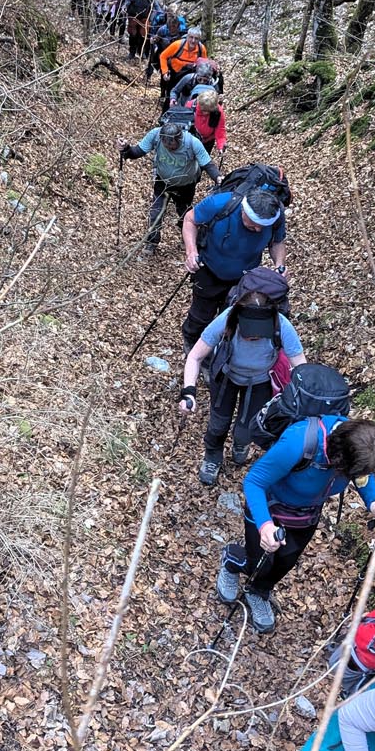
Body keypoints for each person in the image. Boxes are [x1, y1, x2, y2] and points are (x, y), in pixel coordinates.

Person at [216, 417, 375, 634]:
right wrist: (265, 526)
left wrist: (374, 503)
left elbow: (363, 477)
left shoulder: (355, 447)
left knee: (284, 562)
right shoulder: (299, 441)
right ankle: (232, 561)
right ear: (338, 458)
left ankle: (258, 591)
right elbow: (254, 481)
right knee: (259, 562)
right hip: (269, 509)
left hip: (306, 516)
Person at [179, 272, 305, 485]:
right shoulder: (227, 318)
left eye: (258, 334)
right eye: (248, 333)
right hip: (226, 377)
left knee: (247, 428)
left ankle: (241, 443)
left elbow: (301, 366)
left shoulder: (281, 325)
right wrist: (189, 391)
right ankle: (212, 456)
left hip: (260, 381)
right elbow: (195, 356)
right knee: (218, 424)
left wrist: (303, 398)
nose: (253, 337)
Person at [180, 186, 287, 351]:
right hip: (209, 268)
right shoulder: (220, 203)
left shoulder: (275, 216)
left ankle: (221, 349)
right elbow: (190, 219)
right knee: (201, 313)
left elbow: (277, 242)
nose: (258, 229)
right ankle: (192, 341)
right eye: (254, 225)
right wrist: (191, 251)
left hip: (245, 278)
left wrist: (279, 264)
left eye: (262, 226)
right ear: (244, 211)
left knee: (232, 315)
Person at [119, 117, 219, 256]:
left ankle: (187, 237)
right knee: (156, 212)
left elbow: (207, 164)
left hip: (186, 185)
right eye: (165, 143)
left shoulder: (192, 143)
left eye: (171, 144)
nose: (168, 146)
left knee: (184, 212)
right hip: (163, 182)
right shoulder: (155, 135)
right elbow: (137, 152)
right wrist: (126, 149)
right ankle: (152, 242)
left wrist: (218, 178)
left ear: (179, 139)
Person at [159, 26, 208, 108]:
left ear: (199, 39)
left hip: (191, 77)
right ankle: (166, 113)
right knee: (170, 96)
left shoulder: (201, 49)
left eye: (196, 38)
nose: (193, 41)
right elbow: (163, 56)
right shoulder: (177, 45)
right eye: (191, 37)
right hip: (175, 74)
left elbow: (204, 64)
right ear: (187, 37)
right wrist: (165, 72)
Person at [191, 88, 226, 156]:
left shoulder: (218, 112)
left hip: (208, 141)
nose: (205, 113)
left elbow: (220, 130)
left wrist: (221, 145)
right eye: (203, 110)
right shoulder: (191, 106)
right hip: (192, 141)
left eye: (208, 111)